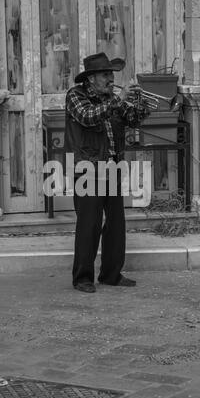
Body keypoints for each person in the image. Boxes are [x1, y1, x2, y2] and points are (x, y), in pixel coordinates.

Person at [64, 52, 151, 293]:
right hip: (87, 167)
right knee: (89, 224)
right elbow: (87, 117)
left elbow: (134, 119)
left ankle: (111, 274)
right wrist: (117, 100)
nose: (111, 79)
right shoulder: (76, 95)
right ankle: (82, 278)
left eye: (111, 74)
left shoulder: (111, 98)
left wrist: (139, 101)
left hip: (113, 166)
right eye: (105, 75)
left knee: (115, 223)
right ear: (91, 78)